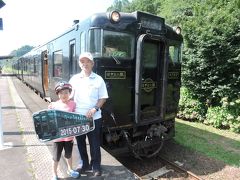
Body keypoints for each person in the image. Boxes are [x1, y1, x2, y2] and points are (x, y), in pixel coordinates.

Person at [69, 52, 108, 177]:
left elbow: (103, 98)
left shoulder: (98, 79)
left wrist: (95, 109)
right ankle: (84, 164)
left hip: (94, 117)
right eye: (82, 62)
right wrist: (56, 105)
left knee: (94, 143)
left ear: (92, 63)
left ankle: (96, 166)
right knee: (80, 142)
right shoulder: (74, 79)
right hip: (78, 117)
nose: (85, 64)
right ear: (80, 64)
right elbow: (68, 96)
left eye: (87, 61)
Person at [48, 81, 80, 180]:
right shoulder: (53, 105)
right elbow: (49, 119)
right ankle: (54, 174)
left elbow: (76, 118)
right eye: (61, 93)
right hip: (57, 137)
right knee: (56, 157)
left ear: (70, 93)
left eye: (66, 92)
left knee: (69, 154)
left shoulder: (73, 104)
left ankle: (70, 169)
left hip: (69, 136)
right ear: (58, 94)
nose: (64, 95)